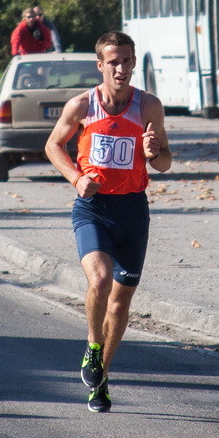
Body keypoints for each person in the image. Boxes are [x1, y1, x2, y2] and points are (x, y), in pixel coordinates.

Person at [44, 31, 171, 413]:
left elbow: (164, 161)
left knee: (120, 302)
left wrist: (153, 153)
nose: (121, 68)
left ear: (134, 63)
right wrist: (76, 178)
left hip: (133, 210)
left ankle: (102, 377)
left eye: (127, 61)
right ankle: (92, 347)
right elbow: (53, 145)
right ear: (100, 65)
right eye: (114, 61)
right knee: (99, 279)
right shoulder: (82, 105)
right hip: (93, 207)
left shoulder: (148, 106)